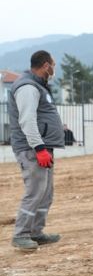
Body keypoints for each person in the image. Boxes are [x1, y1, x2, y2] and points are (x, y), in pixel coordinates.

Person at [7, 50, 65, 251]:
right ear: (46, 65)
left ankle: (36, 232)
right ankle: (21, 234)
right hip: (32, 150)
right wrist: (39, 148)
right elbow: (27, 120)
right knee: (34, 192)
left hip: (42, 148)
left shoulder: (39, 86)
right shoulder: (28, 87)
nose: (54, 69)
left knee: (45, 193)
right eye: (53, 64)